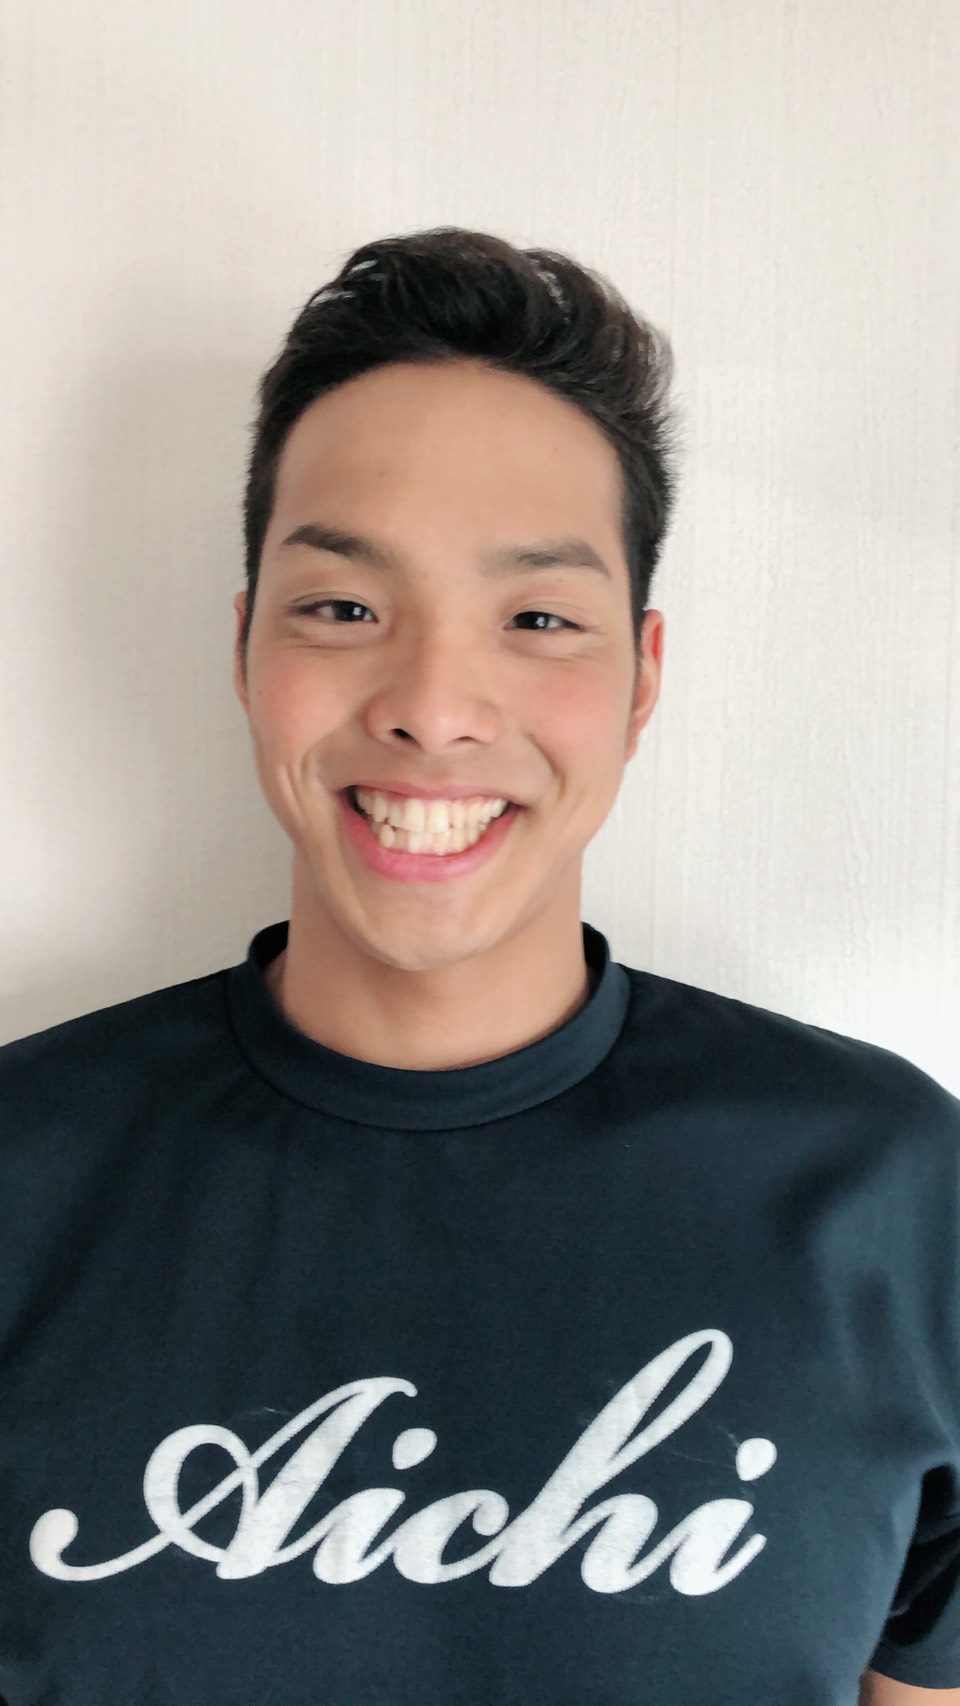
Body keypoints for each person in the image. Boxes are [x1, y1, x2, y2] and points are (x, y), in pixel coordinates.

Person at [1, 228, 958, 1706]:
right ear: (245, 649)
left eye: (538, 619)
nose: (435, 706)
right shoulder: (24, 1172)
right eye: (343, 607)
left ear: (641, 677)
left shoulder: (896, 1195)